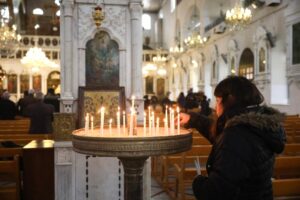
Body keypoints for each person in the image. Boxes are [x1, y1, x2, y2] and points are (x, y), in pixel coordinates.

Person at [179, 76, 286, 200]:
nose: (215, 105)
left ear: (229, 101)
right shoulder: (255, 126)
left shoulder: (236, 136)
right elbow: (225, 138)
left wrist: (198, 182)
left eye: (218, 100)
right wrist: (193, 119)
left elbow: (216, 193)